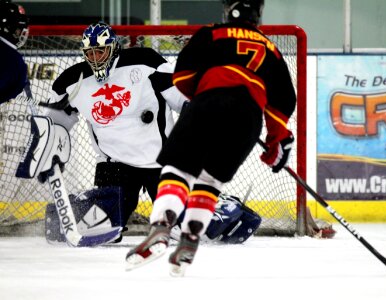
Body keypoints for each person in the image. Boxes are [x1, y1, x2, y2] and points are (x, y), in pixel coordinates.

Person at [126, 0, 297, 276]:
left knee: (178, 169)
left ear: (229, 11)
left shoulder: (212, 33)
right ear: (258, 15)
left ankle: (161, 228)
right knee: (210, 180)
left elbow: (182, 77)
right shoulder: (272, 50)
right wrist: (277, 138)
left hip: (209, 101)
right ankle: (191, 239)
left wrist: (207, 97)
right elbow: (282, 104)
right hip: (248, 118)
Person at [36, 21, 187, 240]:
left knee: (182, 229)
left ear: (114, 48)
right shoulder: (72, 82)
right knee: (102, 229)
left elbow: (182, 99)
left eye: (101, 51)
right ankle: (78, 209)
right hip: (114, 164)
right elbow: (55, 124)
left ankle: (219, 209)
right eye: (91, 53)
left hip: (161, 161)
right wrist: (47, 145)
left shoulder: (146, 62)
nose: (96, 58)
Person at [0, 0, 29, 104]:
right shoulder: (14, 60)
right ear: (8, 28)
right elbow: (13, 90)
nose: (20, 32)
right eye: (18, 29)